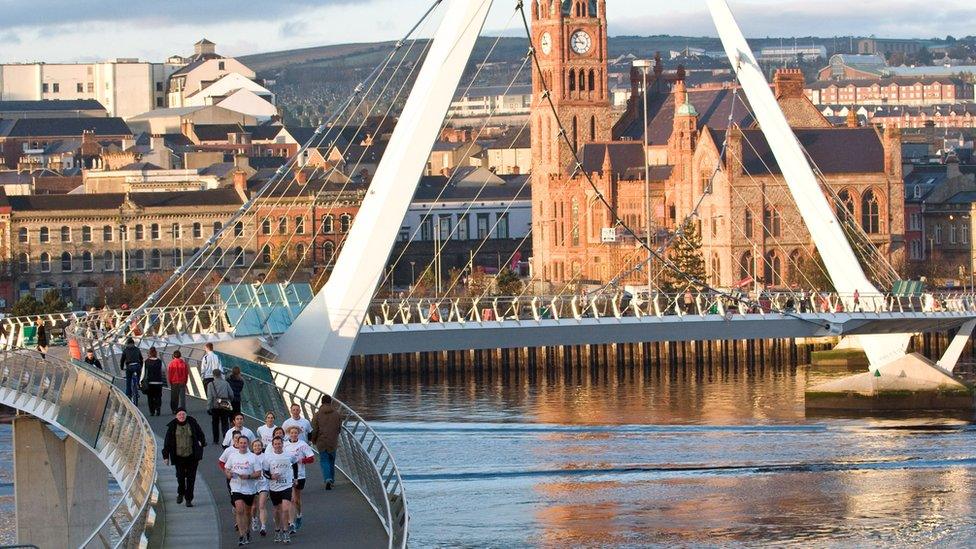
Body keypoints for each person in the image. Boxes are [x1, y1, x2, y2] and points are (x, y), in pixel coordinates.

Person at [161, 408, 206, 507]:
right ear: (176, 416)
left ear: (186, 415)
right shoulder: (172, 426)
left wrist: (201, 443)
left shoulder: (192, 423)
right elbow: (167, 442)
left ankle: (189, 499)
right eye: (179, 415)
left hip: (192, 456)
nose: (181, 416)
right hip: (178, 456)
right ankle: (181, 493)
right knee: (180, 477)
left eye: (183, 414)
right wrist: (166, 456)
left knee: (191, 478)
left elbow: (200, 434)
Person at [223, 435, 261, 546]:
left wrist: (248, 476)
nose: (243, 445)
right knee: (239, 509)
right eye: (241, 443)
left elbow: (258, 473)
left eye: (245, 443)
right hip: (236, 487)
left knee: (248, 512)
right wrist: (228, 474)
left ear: (248, 444)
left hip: (249, 488)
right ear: (237, 444)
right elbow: (227, 468)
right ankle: (241, 534)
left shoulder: (253, 457)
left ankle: (247, 530)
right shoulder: (233, 456)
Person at [264, 435, 299, 544]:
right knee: (277, 510)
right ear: (273, 445)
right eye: (276, 444)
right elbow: (265, 472)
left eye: (279, 444)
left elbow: (295, 464)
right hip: (274, 487)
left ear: (282, 444)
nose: (278, 446)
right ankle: (277, 529)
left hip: (286, 485)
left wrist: (295, 478)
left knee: (285, 509)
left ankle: (285, 531)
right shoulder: (268, 457)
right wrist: (271, 476)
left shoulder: (289, 455)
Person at [283, 425, 315, 532]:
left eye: (295, 433)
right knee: (291, 499)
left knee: (296, 499)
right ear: (288, 433)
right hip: (288, 475)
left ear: (298, 434)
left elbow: (311, 458)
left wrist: (303, 460)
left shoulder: (303, 444)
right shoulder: (285, 445)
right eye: (291, 433)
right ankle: (291, 522)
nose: (293, 434)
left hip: (300, 474)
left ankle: (299, 514)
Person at [309, 394, 342, 490]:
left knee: (324, 460)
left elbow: (314, 429)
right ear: (330, 402)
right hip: (333, 441)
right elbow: (339, 428)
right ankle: (332, 479)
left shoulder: (317, 414)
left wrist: (313, 440)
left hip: (321, 441)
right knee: (332, 460)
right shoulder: (337, 414)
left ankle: (327, 478)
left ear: (321, 402)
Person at [207, 370, 234, 445]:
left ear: (213, 375)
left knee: (215, 423)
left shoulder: (210, 384)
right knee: (225, 422)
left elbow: (209, 397)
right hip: (225, 405)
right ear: (220, 375)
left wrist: (208, 407)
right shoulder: (226, 383)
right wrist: (229, 401)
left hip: (215, 406)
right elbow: (231, 394)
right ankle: (225, 439)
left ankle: (216, 440)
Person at [250, 439, 270, 537]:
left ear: (262, 447)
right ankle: (254, 519)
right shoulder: (249, 457)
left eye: (259, 445)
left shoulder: (266, 457)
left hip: (263, 484)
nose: (257, 447)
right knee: (254, 507)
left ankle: (263, 526)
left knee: (261, 506)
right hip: (253, 484)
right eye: (255, 446)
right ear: (252, 447)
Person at [143, 346, 166, 416]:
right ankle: (158, 409)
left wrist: (141, 381)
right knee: (158, 396)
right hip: (158, 382)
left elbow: (143, 373)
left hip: (149, 382)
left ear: (149, 353)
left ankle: (152, 411)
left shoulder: (146, 362)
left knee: (150, 397)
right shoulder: (159, 361)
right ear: (156, 353)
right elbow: (163, 370)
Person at [122, 338, 143, 406]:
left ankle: (128, 394)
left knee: (128, 380)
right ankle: (139, 384)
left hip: (129, 366)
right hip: (137, 366)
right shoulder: (137, 349)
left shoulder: (125, 350)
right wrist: (141, 365)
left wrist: (122, 367)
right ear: (133, 343)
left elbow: (122, 360)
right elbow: (141, 358)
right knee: (139, 376)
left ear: (127, 344)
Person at [167, 350, 189, 414]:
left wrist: (170, 381)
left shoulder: (171, 363)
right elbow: (186, 373)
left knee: (174, 397)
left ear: (173, 356)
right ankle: (183, 409)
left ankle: (174, 409)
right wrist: (185, 381)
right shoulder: (183, 363)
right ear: (180, 355)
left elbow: (170, 374)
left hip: (174, 382)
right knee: (182, 397)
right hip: (182, 382)